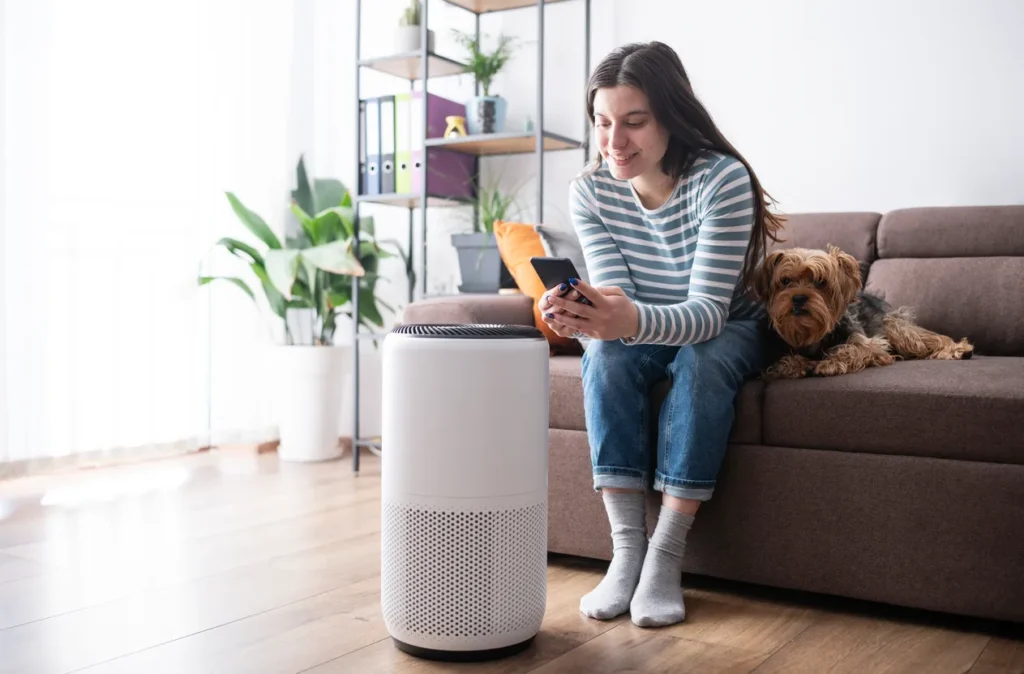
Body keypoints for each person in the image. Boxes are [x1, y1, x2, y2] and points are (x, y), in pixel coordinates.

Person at [539, 41, 783, 627]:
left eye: (633, 122)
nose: (613, 143)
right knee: (606, 356)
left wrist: (622, 318)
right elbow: (619, 300)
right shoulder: (590, 191)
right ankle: (627, 551)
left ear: (671, 116)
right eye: (602, 123)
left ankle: (665, 556)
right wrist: (578, 314)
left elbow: (705, 315)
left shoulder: (720, 180)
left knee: (701, 360)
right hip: (651, 318)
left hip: (727, 320)